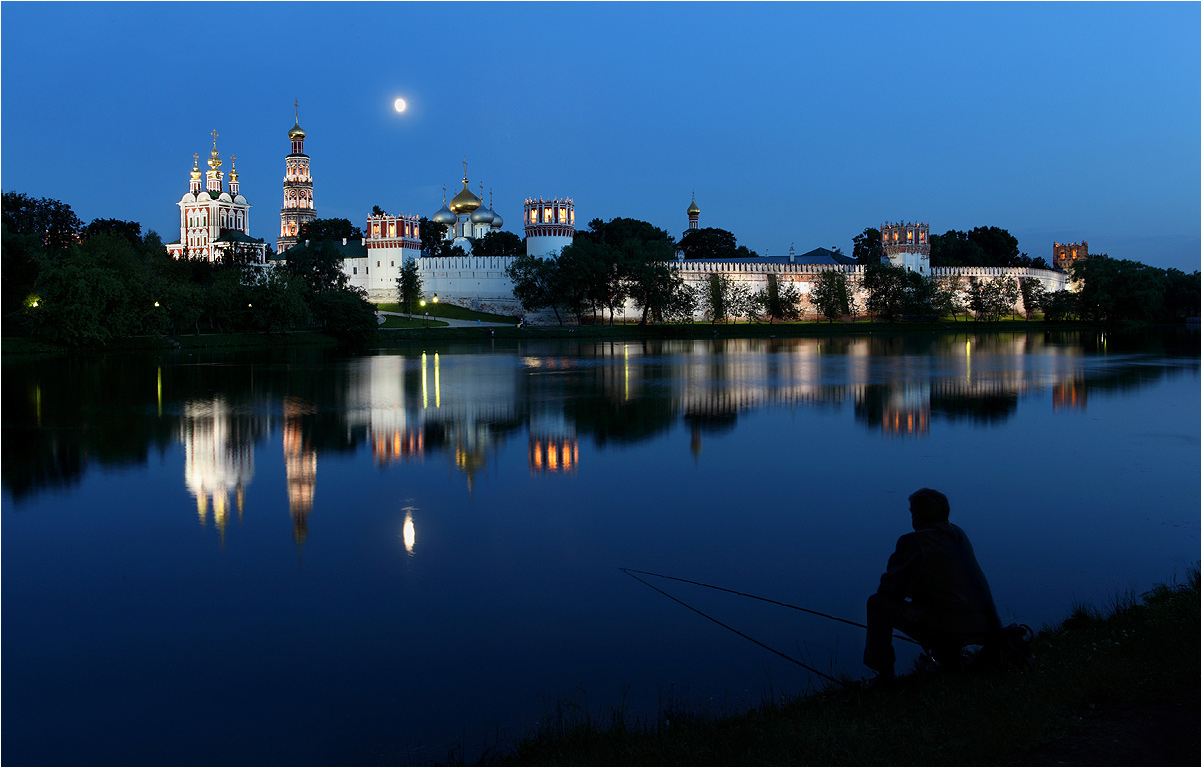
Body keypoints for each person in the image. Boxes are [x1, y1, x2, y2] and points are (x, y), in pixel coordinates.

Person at [864, 488, 1000, 684]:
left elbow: (889, 590)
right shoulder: (958, 534)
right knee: (944, 605)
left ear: (918, 514)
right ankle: (951, 662)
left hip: (950, 627)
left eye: (912, 512)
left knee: (877, 604)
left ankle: (884, 676)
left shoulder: (912, 541)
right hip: (985, 624)